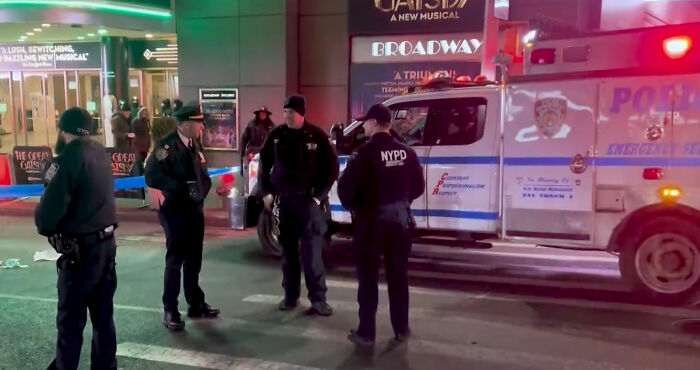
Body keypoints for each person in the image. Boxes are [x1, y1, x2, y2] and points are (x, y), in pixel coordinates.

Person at [35, 107, 118, 369]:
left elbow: (46, 216)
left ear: (62, 129)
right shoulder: (100, 153)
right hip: (107, 247)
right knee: (103, 318)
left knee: (71, 322)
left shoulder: (65, 160)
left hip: (81, 253)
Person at [337, 103, 425, 346]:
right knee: (398, 278)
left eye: (366, 121)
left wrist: (357, 206)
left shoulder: (362, 154)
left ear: (374, 123)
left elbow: (346, 192)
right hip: (400, 223)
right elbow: (418, 187)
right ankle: (401, 329)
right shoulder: (407, 153)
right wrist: (399, 201)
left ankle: (366, 332)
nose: (364, 125)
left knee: (368, 279)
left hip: (370, 224)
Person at [258, 95, 339, 316]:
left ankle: (318, 299)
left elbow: (332, 169)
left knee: (312, 254)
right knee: (288, 253)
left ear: (301, 113)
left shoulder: (317, 136)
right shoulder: (277, 135)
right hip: (284, 202)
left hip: (309, 202)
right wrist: (265, 192)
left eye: (291, 112)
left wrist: (318, 197)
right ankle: (290, 296)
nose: (287, 116)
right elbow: (263, 164)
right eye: (285, 112)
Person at [145, 102, 218, 331]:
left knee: (194, 258)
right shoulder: (166, 147)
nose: (202, 126)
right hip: (175, 211)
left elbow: (203, 173)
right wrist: (179, 187)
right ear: (185, 123)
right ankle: (170, 309)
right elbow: (152, 174)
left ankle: (195, 302)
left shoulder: (194, 144)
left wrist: (202, 189)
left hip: (194, 209)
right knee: (175, 260)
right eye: (198, 122)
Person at [240, 106, 275, 176]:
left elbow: (274, 143)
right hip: (252, 154)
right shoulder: (251, 125)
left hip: (265, 155)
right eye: (261, 113)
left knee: (264, 176)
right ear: (258, 114)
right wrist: (244, 154)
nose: (263, 115)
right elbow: (244, 140)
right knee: (252, 177)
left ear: (267, 115)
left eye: (264, 114)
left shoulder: (271, 126)